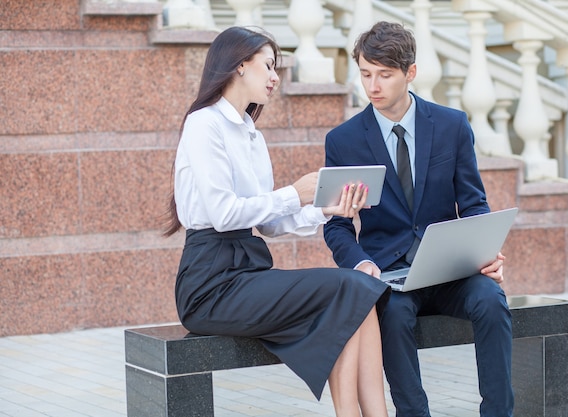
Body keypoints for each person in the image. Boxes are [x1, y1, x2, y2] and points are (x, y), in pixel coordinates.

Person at [162, 26, 391, 417]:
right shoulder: (205, 124)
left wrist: (326, 209)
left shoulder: (251, 135)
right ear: (239, 66)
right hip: (209, 284)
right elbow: (223, 214)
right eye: (268, 66)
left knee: (362, 289)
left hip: (249, 270)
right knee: (349, 287)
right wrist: (295, 193)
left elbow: (268, 225)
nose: (274, 77)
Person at [323, 21, 514, 417]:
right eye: (365, 74)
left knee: (492, 300)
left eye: (385, 75)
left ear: (410, 73)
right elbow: (337, 225)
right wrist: (361, 264)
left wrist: (485, 251)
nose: (373, 86)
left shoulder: (452, 126)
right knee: (393, 315)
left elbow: (474, 204)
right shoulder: (343, 141)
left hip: (451, 272)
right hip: (390, 278)